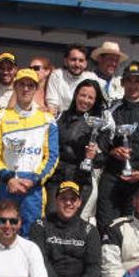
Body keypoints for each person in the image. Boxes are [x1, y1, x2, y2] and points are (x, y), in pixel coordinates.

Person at [0, 68, 59, 236]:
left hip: (33, 188)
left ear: (36, 89)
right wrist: (8, 178)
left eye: (30, 85)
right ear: (15, 87)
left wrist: (34, 179)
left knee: (33, 234)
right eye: (22, 85)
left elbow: (52, 156)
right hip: (6, 184)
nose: (26, 89)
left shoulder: (47, 120)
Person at [96, 61, 139, 231]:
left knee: (134, 227)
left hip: (137, 179)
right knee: (106, 226)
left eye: (137, 81)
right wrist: (112, 151)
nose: (133, 85)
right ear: (122, 83)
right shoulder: (110, 109)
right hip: (112, 176)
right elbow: (102, 140)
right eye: (129, 81)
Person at [48, 79, 112, 210]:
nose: (86, 100)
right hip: (56, 177)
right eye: (83, 95)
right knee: (52, 216)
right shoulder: (61, 116)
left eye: (90, 97)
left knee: (74, 223)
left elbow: (103, 158)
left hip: (81, 180)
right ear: (76, 95)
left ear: (96, 100)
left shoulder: (101, 124)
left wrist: (94, 155)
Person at [46, 44, 96, 114]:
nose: (77, 64)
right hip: (61, 120)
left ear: (85, 63)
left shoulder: (92, 78)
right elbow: (52, 104)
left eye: (81, 60)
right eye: (73, 60)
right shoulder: (57, 75)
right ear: (65, 61)